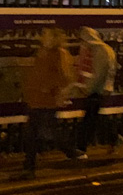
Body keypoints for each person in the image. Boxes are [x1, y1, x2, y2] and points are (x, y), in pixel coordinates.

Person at [21, 27, 82, 178]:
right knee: (32, 134)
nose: (42, 37)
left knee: (47, 133)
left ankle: (71, 151)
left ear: (54, 38)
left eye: (46, 35)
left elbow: (64, 76)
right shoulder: (42, 51)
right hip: (35, 100)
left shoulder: (59, 53)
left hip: (46, 101)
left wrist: (48, 87)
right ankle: (29, 166)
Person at [75, 27, 116, 157]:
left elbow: (98, 74)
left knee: (90, 120)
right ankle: (113, 139)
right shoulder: (102, 49)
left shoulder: (99, 50)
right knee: (95, 118)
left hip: (97, 90)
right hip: (100, 89)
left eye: (83, 39)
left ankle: (81, 148)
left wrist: (88, 88)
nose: (82, 42)